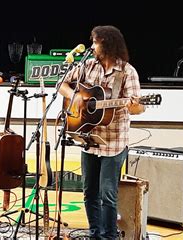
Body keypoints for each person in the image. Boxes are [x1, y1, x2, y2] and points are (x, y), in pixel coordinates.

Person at [58, 25, 146, 239]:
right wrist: (77, 97)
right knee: (89, 193)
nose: (92, 46)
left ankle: (109, 236)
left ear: (106, 44)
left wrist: (133, 105)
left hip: (113, 142)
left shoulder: (127, 72)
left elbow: (139, 107)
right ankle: (95, 234)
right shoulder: (88, 65)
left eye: (95, 42)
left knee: (107, 194)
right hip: (88, 136)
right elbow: (62, 84)